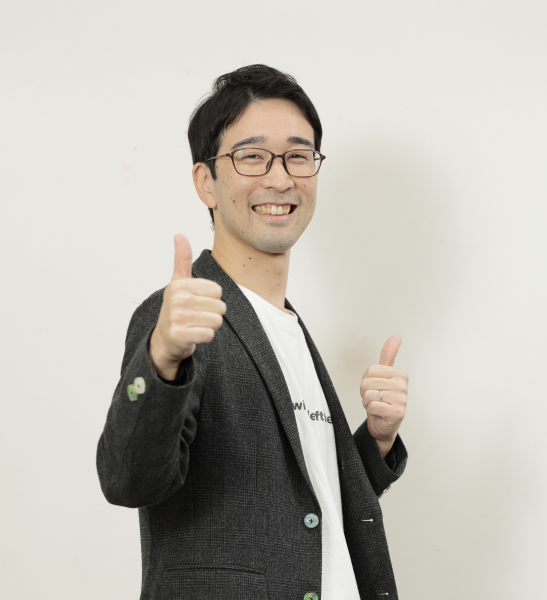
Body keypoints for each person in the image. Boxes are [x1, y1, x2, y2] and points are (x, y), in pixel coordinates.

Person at [97, 64, 409, 600]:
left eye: (298, 156)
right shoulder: (180, 319)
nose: (280, 178)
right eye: (252, 156)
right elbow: (129, 479)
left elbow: (304, 505)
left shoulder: (290, 329)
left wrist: (376, 441)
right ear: (206, 182)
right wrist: (163, 358)